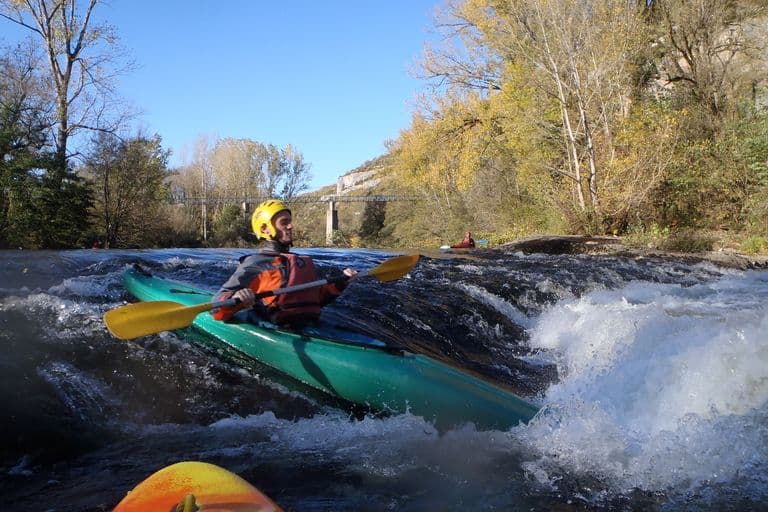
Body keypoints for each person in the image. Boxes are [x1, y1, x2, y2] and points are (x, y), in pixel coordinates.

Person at [212, 199, 358, 326]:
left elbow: (316, 299)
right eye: (284, 222)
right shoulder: (256, 263)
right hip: (274, 327)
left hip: (308, 326)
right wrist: (237, 297)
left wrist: (341, 283)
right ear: (265, 229)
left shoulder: (301, 262)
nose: (290, 226)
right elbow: (217, 305)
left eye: (290, 221)